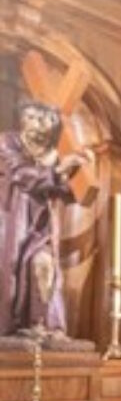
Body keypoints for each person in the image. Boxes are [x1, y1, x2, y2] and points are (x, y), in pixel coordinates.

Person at [0, 101, 89, 337]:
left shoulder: (53, 155)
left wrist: (82, 167)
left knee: (44, 264)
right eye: (32, 118)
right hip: (11, 222)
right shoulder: (7, 142)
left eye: (45, 120)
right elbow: (20, 174)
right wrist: (60, 171)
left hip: (40, 225)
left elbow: (69, 193)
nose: (37, 125)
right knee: (10, 274)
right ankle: (13, 326)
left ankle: (41, 324)